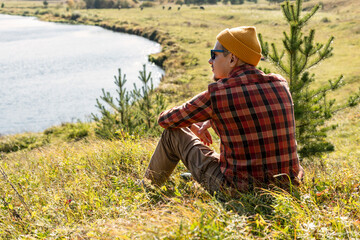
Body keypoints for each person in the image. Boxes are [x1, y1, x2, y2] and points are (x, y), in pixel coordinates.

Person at [143, 26, 304, 196]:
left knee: (172, 134)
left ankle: (147, 189)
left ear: (232, 59)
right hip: (288, 187)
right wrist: (212, 119)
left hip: (238, 190)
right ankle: (191, 177)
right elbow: (254, 112)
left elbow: (166, 120)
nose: (210, 61)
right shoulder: (280, 83)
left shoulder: (218, 94)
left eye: (214, 55)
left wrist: (190, 124)